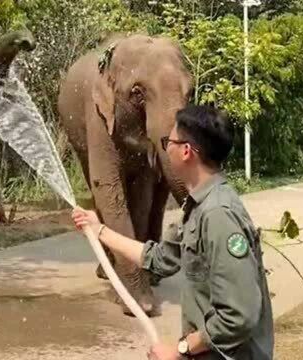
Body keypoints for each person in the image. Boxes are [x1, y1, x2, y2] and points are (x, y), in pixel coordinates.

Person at [72, 105, 274, 359]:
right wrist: (98, 229)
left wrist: (181, 350)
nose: (166, 148)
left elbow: (238, 316)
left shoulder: (218, 215)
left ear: (186, 151)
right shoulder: (199, 206)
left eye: (169, 141)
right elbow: (159, 258)